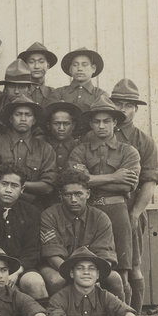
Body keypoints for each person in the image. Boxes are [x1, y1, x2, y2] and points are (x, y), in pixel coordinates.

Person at [67, 99, 140, 302]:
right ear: (90, 123)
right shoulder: (79, 151)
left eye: (106, 121)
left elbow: (128, 186)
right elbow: (76, 181)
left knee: (123, 272)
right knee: (89, 267)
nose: (101, 126)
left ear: (115, 123)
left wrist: (91, 181)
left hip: (118, 212)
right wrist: (114, 177)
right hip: (88, 212)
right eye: (96, 121)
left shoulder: (128, 151)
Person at [110, 78, 158, 316]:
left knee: (133, 266)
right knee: (107, 267)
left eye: (128, 105)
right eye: (118, 103)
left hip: (130, 209)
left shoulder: (144, 141)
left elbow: (149, 181)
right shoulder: (99, 132)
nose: (123, 109)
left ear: (136, 109)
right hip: (103, 209)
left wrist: (135, 213)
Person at [39, 168, 125, 299]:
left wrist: (90, 276)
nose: (73, 199)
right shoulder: (49, 215)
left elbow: (105, 257)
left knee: (114, 278)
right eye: (68, 195)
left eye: (78, 194)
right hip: (59, 267)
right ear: (60, 196)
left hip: (90, 270)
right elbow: (52, 256)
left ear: (88, 194)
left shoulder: (100, 217)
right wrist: (76, 276)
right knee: (56, 280)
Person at [0, 164, 48, 303]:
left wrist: (17, 270)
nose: (8, 190)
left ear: (22, 189)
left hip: (22, 268)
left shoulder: (32, 213)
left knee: (35, 283)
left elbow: (33, 250)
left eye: (14, 186)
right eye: (4, 184)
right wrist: (2, 272)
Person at [0, 95, 57, 204]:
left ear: (34, 120)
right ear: (11, 119)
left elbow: (48, 186)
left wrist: (15, 187)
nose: (23, 119)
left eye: (28, 115)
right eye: (18, 114)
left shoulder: (45, 148)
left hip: (33, 206)